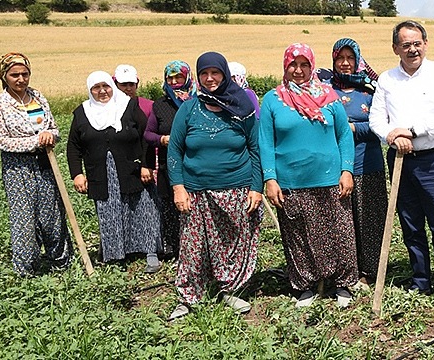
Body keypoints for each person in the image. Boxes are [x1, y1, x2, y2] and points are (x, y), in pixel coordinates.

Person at [259, 43, 357, 308]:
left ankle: (343, 284)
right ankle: (305, 285)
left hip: (329, 177)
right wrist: (270, 178)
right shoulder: (273, 99)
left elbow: (344, 135)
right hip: (291, 181)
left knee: (339, 232)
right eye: (293, 64)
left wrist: (346, 170)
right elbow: (265, 142)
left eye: (304, 65)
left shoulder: (328, 96)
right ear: (285, 66)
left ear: (312, 66)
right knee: (298, 235)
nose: (299, 70)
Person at [369, 20, 434, 309]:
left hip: (433, 160)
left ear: (426, 44)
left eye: (417, 43)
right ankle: (420, 279)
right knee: (410, 224)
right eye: (405, 44)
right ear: (396, 48)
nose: (412, 49)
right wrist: (392, 136)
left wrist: (412, 130)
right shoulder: (386, 79)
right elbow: (375, 119)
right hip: (400, 160)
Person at [167, 52, 262, 319]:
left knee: (232, 242)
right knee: (192, 247)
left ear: (225, 75)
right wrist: (178, 187)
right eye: (204, 74)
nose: (209, 78)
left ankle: (229, 289)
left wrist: (257, 186)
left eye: (215, 73)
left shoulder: (242, 108)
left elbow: (255, 148)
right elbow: (174, 150)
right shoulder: (189, 108)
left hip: (237, 187)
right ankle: (188, 296)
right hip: (196, 190)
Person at [67, 71, 161, 274]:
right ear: (90, 90)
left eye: (106, 86)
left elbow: (146, 136)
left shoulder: (128, 106)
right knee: (108, 212)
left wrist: (147, 165)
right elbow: (73, 146)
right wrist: (77, 174)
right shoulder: (82, 113)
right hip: (101, 173)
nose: (102, 91)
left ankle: (150, 252)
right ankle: (115, 254)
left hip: (133, 170)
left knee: (143, 208)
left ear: (112, 86)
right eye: (96, 88)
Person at [0, 53, 72, 276]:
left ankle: (62, 264)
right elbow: (1, 140)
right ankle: (27, 270)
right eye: (14, 74)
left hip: (45, 164)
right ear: (4, 76)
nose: (21, 79)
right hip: (18, 169)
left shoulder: (38, 97)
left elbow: (54, 128)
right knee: (24, 219)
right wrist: (35, 140)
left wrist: (50, 136)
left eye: (25, 74)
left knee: (52, 215)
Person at [330, 38, 386, 287]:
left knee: (370, 219)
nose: (344, 63)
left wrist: (349, 128)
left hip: (368, 162)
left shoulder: (372, 90)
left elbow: (380, 126)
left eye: (350, 58)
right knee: (342, 221)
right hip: (337, 166)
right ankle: (346, 270)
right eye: (340, 58)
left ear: (358, 60)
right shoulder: (326, 90)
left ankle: (372, 270)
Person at [144, 60, 197, 258]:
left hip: (196, 165)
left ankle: (197, 250)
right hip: (170, 165)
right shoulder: (160, 104)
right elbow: (148, 134)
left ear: (187, 77)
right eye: (170, 77)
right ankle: (175, 250)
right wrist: (162, 139)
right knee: (171, 209)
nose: (174, 81)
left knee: (195, 209)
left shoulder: (199, 101)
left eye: (179, 77)